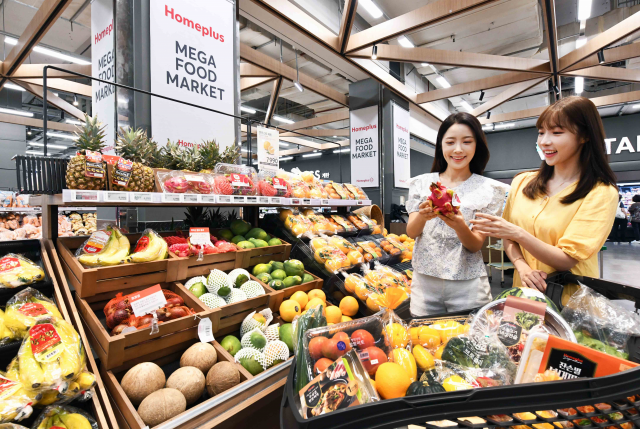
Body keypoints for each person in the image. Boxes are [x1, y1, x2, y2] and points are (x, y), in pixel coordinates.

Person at [470, 96, 618, 304]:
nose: (544, 141)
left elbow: (566, 260)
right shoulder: (522, 182)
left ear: (584, 136)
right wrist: (522, 267)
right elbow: (508, 238)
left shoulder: (600, 192)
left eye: (557, 133)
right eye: (541, 132)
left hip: (569, 303)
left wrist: (517, 233)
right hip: (523, 294)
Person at [406, 112, 509, 316]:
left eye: (467, 142)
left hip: (468, 286)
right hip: (425, 284)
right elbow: (411, 232)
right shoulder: (422, 183)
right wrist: (422, 216)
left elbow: (475, 245)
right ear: (441, 146)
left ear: (477, 145)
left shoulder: (488, 189)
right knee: (424, 342)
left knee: (469, 345)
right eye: (450, 142)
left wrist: (459, 225)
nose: (458, 149)